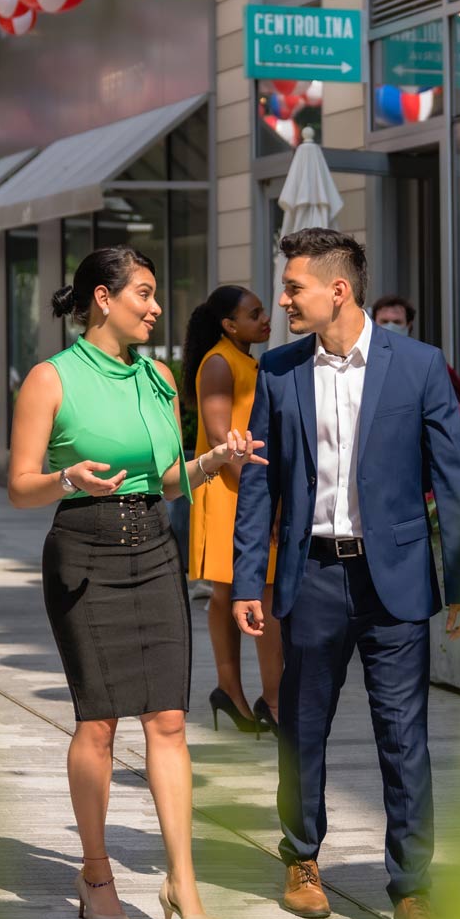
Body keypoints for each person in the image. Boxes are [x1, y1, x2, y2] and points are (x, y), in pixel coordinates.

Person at [232, 228, 460, 919]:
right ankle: (302, 855)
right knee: (301, 724)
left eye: (294, 287)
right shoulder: (278, 372)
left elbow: (452, 479)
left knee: (404, 737)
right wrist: (250, 575)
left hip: (396, 580)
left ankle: (412, 888)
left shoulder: (420, 366)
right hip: (311, 574)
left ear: (337, 289)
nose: (283, 299)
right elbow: (260, 485)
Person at [8, 246, 264, 919]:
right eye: (144, 294)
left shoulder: (159, 378)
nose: (156, 307)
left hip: (154, 548)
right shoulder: (51, 379)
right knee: (99, 722)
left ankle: (182, 880)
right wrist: (68, 479)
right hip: (82, 550)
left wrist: (219, 459)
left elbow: (171, 477)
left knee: (170, 721)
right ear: (102, 297)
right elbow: (20, 483)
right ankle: (95, 873)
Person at [184, 285, 283, 735]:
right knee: (246, 594)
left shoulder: (244, 358)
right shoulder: (221, 362)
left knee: (246, 595)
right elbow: (224, 443)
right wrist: (264, 498)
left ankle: (243, 694)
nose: (265, 319)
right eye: (254, 313)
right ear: (229, 325)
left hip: (246, 487)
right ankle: (262, 697)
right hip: (232, 490)